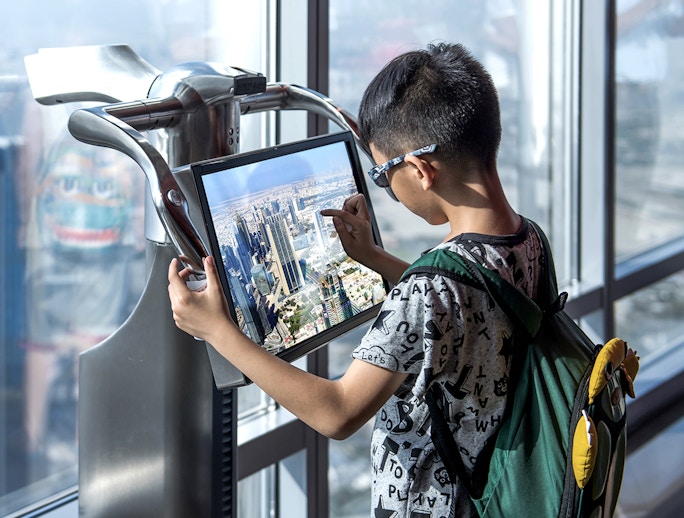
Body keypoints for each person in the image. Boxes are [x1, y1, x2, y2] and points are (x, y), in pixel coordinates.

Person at [168, 42, 547, 517]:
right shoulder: (528, 238)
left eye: (385, 175)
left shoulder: (430, 289)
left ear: (421, 171)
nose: (384, 189)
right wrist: (373, 257)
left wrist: (217, 330)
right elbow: (471, 306)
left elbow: (338, 411)